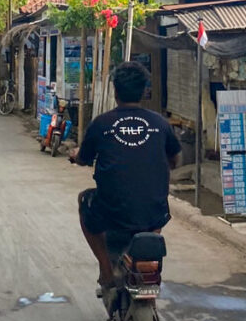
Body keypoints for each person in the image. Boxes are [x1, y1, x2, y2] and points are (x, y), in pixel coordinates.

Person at [70, 62, 181, 289]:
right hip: (154, 212)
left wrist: (75, 155)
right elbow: (174, 160)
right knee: (158, 210)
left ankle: (106, 270)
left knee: (84, 199)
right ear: (144, 91)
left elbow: (83, 158)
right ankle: (146, 260)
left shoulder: (101, 124)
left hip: (111, 210)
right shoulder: (160, 124)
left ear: (115, 91)